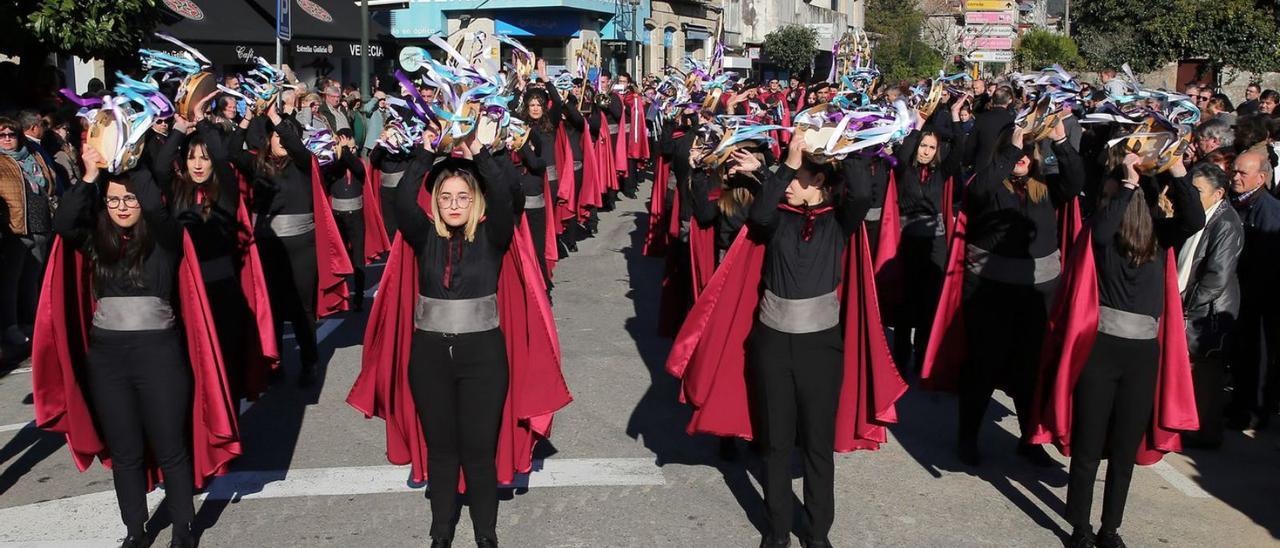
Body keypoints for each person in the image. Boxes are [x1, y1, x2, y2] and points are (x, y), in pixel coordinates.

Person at [1047, 151, 1203, 548]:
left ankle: (1109, 529)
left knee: (1123, 451)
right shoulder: (1105, 230)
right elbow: (1098, 233)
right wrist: (1129, 182)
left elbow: (1195, 220)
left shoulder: (1161, 235)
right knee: (1088, 444)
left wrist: (1178, 169)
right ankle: (1080, 527)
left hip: (1141, 355)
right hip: (1101, 349)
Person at [50, 148, 202, 548]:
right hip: (107, 358)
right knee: (126, 450)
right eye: (114, 199)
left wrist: (129, 156)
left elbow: (155, 204)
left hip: (160, 356)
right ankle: (135, 530)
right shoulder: (96, 242)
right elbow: (64, 223)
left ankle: (183, 528)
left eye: (129, 198)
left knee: (171, 446)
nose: (121, 206)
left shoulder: (166, 238)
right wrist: (88, 176)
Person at [394, 134, 520, 548]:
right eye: (445, 196)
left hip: (483, 356)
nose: (452, 204)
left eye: (462, 197)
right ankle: (441, 533)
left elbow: (505, 197)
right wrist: (427, 152)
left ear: (474, 202)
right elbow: (400, 201)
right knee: (442, 451)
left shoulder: (493, 236)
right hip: (429, 356)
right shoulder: (422, 235)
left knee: (479, 453)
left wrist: (480, 153)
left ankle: (486, 535)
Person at [953, 121, 1084, 466]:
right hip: (989, 292)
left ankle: (1030, 439)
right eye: (1017, 149)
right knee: (983, 368)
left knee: (1031, 371)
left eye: (1029, 150)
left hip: (1038, 294)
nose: (1024, 156)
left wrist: (1061, 142)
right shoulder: (989, 182)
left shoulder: (1045, 187)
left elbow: (1076, 182)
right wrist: (1011, 148)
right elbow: (978, 191)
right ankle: (967, 439)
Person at [888, 97, 967, 373]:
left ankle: (923, 357)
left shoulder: (940, 173)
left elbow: (960, 149)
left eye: (931, 148)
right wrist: (917, 126)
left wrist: (955, 117)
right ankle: (900, 358)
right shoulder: (904, 170)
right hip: (908, 241)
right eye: (924, 146)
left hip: (934, 243)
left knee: (929, 304)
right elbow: (904, 151)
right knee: (906, 302)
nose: (926, 151)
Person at [1179, 163, 1243, 447]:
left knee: (1205, 375)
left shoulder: (1226, 223)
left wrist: (1187, 305)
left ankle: (1205, 434)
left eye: (1198, 191)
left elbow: (1217, 276)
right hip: (1192, 303)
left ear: (1217, 194)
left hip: (1209, 312)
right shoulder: (1197, 216)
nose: (1191, 196)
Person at [1227, 151, 1280, 430]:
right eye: (1234, 171)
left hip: (1258, 297)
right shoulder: (1236, 201)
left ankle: (1253, 411)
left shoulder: (1268, 210)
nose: (1235, 177)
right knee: (1242, 354)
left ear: (1261, 178)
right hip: (1240, 292)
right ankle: (1239, 404)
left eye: (1242, 173)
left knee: (1257, 355)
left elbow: (1266, 261)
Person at [0, 115, 55, 346]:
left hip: (40, 224)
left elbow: (49, 183)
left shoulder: (32, 156)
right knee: (11, 279)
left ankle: (31, 322)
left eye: (11, 134)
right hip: (15, 227)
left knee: (32, 278)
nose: (7, 139)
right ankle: (11, 326)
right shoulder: (2, 161)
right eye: (2, 135)